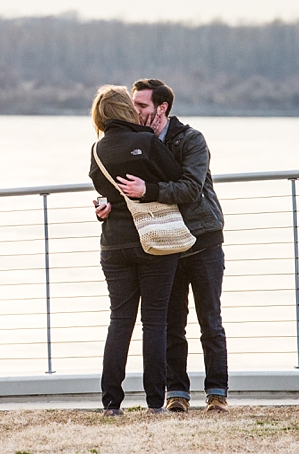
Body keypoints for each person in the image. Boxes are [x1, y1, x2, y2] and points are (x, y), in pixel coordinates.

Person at [112, 78, 229, 414]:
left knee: (210, 320)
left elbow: (190, 188)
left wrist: (149, 190)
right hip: (166, 245)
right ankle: (177, 393)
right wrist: (104, 206)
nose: (135, 111)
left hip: (203, 240)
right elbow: (124, 190)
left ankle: (217, 394)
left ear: (162, 108)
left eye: (142, 106)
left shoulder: (192, 140)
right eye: (134, 105)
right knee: (171, 323)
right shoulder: (137, 144)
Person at [88, 84, 185, 416]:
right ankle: (155, 402)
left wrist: (103, 206)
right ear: (126, 110)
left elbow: (103, 190)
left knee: (120, 321)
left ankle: (111, 402)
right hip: (154, 240)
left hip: (113, 243)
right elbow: (175, 176)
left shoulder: (97, 149)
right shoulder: (146, 142)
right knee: (154, 322)